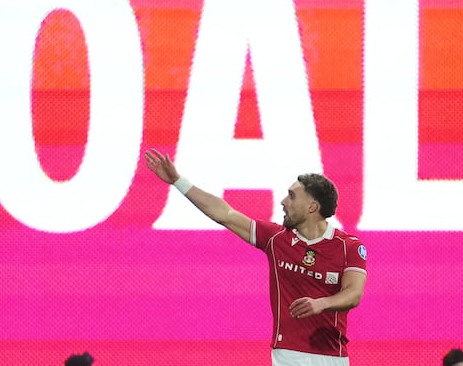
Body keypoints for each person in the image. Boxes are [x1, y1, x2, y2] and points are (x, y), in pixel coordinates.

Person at [144, 149, 367, 365]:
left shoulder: (348, 247)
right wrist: (177, 181)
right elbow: (225, 214)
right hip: (288, 354)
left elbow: (353, 294)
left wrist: (322, 304)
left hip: (332, 356)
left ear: (312, 206)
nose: (283, 202)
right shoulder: (276, 239)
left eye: (291, 196)